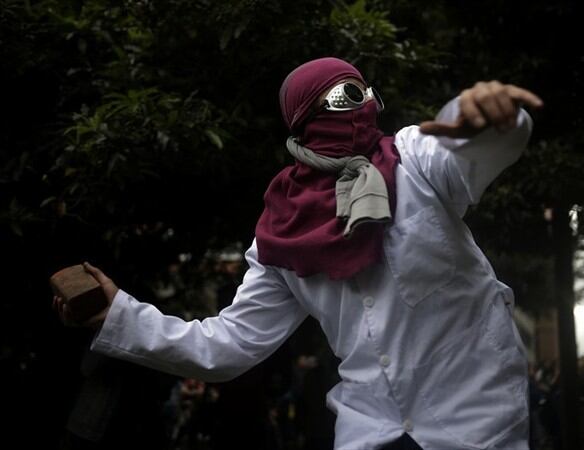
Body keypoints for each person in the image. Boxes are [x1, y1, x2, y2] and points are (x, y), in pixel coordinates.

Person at [55, 57, 542, 449]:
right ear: (305, 117)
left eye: (367, 91)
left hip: (476, 420)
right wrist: (117, 314)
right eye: (346, 95)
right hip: (370, 428)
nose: (365, 105)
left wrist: (490, 115)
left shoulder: (415, 158)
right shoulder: (280, 233)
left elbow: (471, 141)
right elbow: (227, 345)